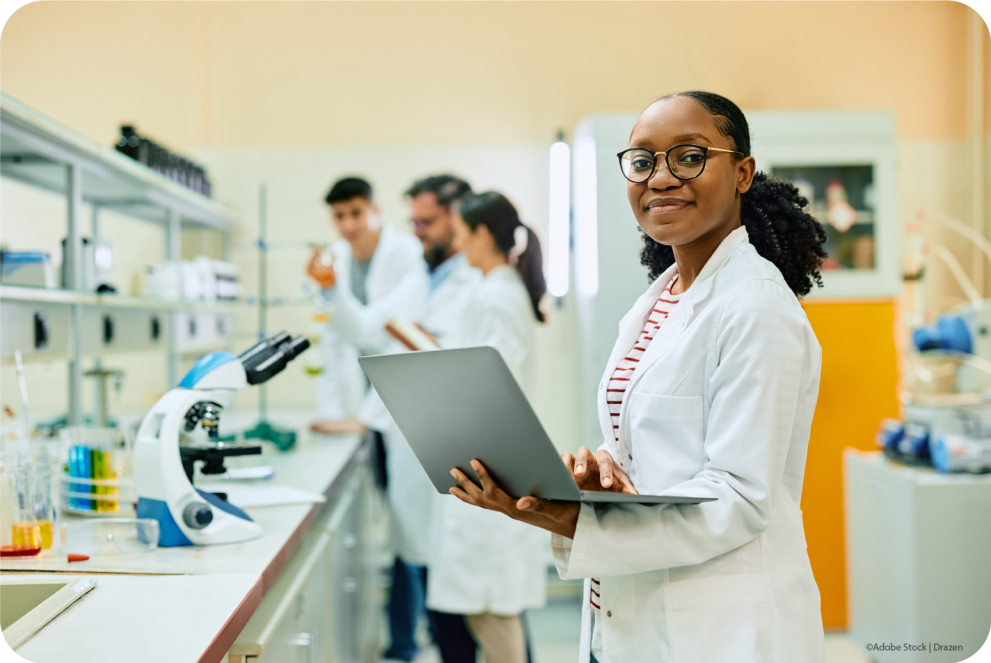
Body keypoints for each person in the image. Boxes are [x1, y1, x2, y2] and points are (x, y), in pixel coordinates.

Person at [446, 91, 829, 663]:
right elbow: (652, 440)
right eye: (644, 161)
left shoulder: (755, 307)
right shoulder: (662, 300)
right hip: (631, 612)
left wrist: (572, 516)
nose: (662, 178)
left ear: (742, 172)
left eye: (690, 157)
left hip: (720, 628)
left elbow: (739, 498)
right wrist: (598, 473)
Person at [314, 175, 480, 663]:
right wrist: (330, 288)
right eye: (415, 222)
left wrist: (426, 344)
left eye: (426, 222)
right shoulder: (424, 277)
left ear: (460, 217)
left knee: (472, 597)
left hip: (453, 445)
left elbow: (470, 364)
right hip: (408, 435)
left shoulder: (475, 280)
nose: (418, 233)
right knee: (432, 573)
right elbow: (367, 331)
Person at [425, 192, 548, 663]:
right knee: (484, 613)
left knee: (494, 615)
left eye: (459, 231)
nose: (455, 241)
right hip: (480, 467)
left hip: (490, 471)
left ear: (479, 234)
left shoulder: (498, 294)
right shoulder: (493, 289)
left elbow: (498, 389)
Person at [307, 176, 424, 437]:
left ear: (375, 211)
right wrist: (332, 413)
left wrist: (330, 289)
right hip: (358, 390)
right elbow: (331, 343)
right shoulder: (333, 258)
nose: (348, 224)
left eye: (356, 213)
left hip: (402, 388)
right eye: (339, 216)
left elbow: (386, 333)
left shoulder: (409, 253)